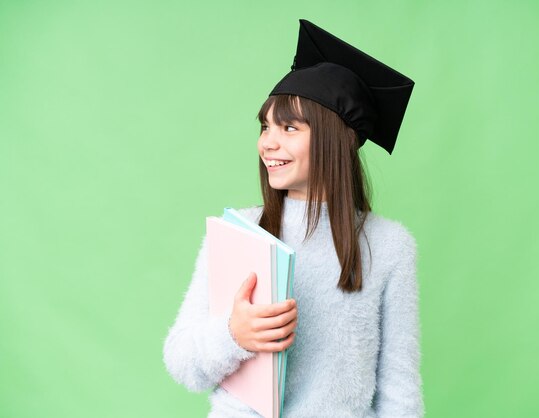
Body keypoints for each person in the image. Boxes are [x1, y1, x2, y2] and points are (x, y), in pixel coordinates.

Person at [163, 20, 424, 417]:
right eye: (265, 126)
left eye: (288, 127)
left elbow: (400, 393)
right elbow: (182, 362)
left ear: (338, 138)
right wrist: (235, 335)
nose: (268, 142)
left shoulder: (388, 246)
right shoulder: (241, 231)